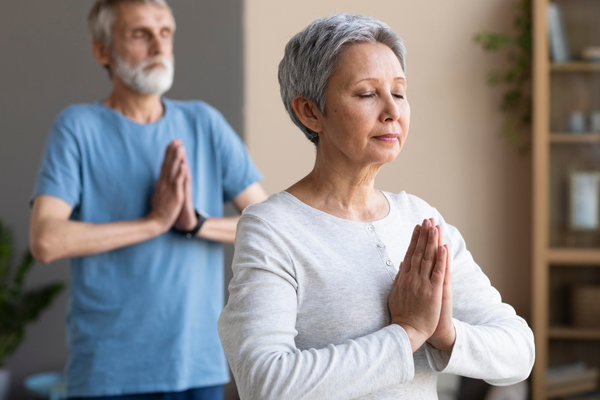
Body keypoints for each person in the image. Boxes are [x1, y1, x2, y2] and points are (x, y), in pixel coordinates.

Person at [217, 13, 534, 400]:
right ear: (310, 112)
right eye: (367, 93)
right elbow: (266, 383)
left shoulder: (421, 220)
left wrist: (443, 333)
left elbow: (520, 351)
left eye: (399, 93)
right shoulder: (272, 228)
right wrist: (407, 334)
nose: (392, 111)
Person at [29, 0, 266, 399]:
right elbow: (46, 240)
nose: (158, 47)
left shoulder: (203, 122)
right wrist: (154, 222)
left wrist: (196, 224)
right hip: (107, 373)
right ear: (102, 50)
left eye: (165, 33)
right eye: (140, 34)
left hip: (198, 367)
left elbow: (270, 224)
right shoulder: (77, 127)